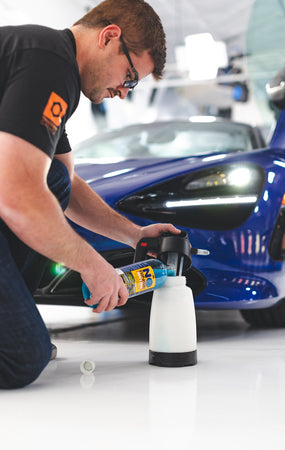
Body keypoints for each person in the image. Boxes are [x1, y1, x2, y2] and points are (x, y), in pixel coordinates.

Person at [0, 0, 180, 389]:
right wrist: (93, 265)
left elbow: (64, 182)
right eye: (130, 77)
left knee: (56, 182)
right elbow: (15, 194)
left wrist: (133, 234)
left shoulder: (47, 64)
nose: (124, 92)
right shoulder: (47, 61)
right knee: (20, 359)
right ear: (110, 37)